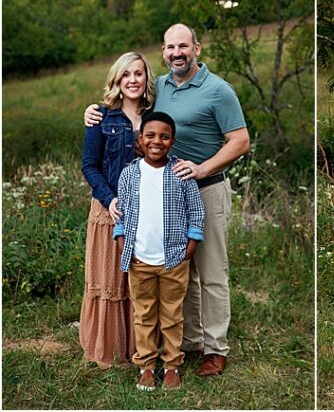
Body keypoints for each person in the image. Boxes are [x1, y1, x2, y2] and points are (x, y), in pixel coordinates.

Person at [85, 23, 250, 376]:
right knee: (178, 267)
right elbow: (126, 99)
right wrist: (92, 111)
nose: (177, 53)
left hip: (207, 187)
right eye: (170, 47)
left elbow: (240, 141)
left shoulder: (218, 90)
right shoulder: (158, 87)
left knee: (211, 272)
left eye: (183, 46)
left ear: (197, 49)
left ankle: (215, 349)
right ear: (163, 52)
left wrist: (201, 169)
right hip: (166, 193)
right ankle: (189, 341)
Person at [114, 112, 205, 391]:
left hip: (174, 259)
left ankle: (172, 366)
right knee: (144, 315)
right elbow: (122, 213)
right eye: (150, 136)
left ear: (172, 141)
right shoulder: (129, 174)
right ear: (140, 139)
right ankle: (146, 365)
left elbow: (196, 212)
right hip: (139, 259)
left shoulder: (181, 173)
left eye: (164, 137)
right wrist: (122, 243)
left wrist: (190, 247)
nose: (157, 141)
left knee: (172, 315)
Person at [79, 52, 157, 369]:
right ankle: (110, 349)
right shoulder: (101, 116)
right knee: (111, 280)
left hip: (148, 212)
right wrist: (110, 198)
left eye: (138, 73)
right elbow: (89, 166)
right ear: (117, 79)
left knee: (142, 281)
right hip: (109, 211)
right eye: (126, 74)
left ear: (146, 78)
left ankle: (145, 349)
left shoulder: (156, 116)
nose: (133, 80)